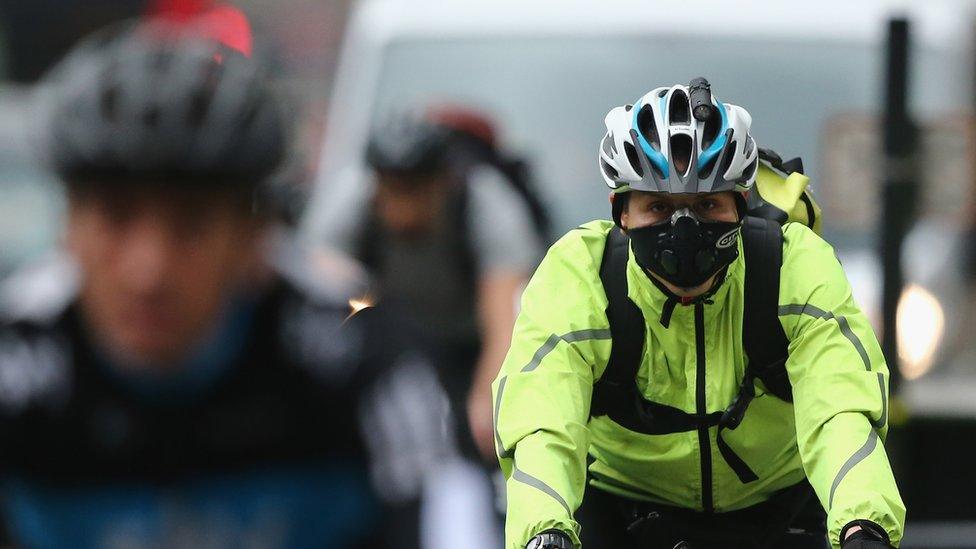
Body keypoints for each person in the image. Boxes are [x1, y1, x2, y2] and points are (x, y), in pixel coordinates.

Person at [0, 22, 447, 549]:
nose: (149, 272)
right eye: (116, 218)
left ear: (254, 238)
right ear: (68, 228)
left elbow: (446, 520)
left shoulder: (360, 357)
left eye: (190, 224)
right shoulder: (17, 359)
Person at [492, 79, 905, 549]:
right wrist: (543, 529)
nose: (683, 228)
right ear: (620, 214)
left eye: (707, 205)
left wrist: (864, 523)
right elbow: (543, 421)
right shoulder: (579, 275)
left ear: (741, 206)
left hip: (777, 504)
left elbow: (840, 409)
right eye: (658, 206)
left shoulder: (794, 265)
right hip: (622, 507)